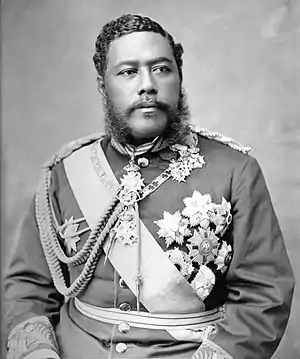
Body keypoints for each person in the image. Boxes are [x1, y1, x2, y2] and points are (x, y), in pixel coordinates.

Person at [4, 13, 294, 359]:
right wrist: (38, 352)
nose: (148, 85)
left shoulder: (235, 169)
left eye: (161, 69)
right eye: (128, 72)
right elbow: (28, 288)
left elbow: (264, 296)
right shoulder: (65, 172)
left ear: (179, 78)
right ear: (103, 85)